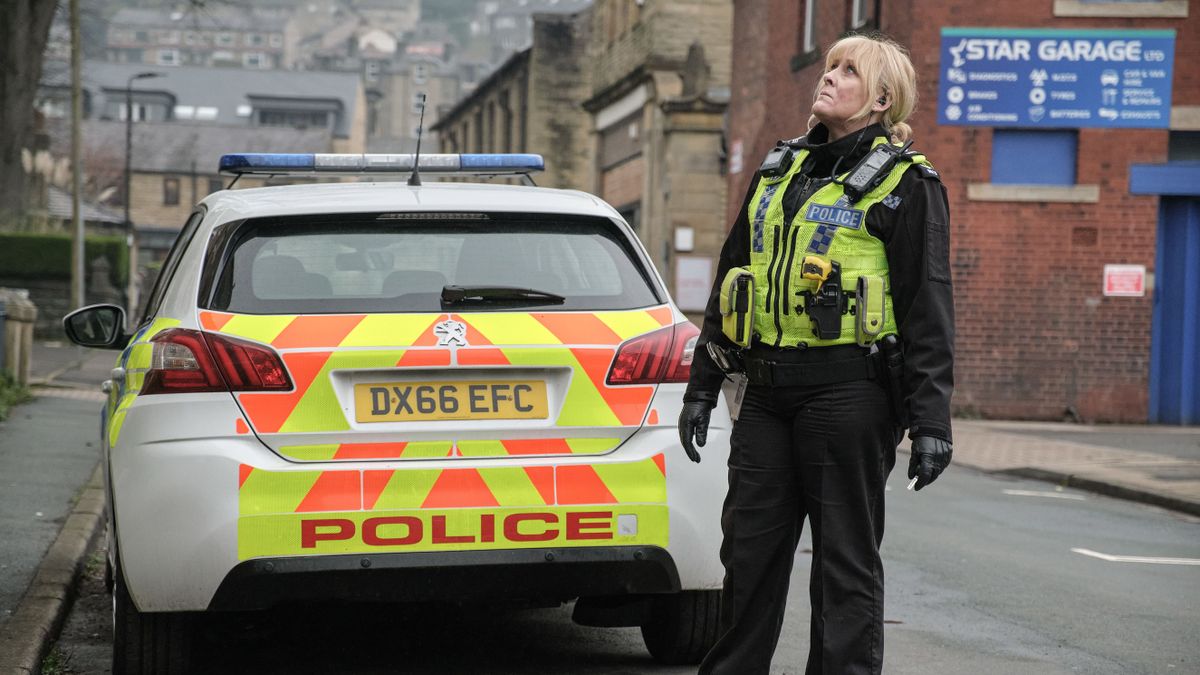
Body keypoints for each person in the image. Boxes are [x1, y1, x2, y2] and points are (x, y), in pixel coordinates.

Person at [678, 34, 954, 675]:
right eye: (827, 65)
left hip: (850, 394)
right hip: (766, 394)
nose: (828, 77)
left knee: (844, 567)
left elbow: (927, 306)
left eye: (847, 70)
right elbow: (732, 280)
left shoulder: (906, 185)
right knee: (746, 559)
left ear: (882, 99)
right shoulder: (776, 174)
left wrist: (931, 419)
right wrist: (700, 385)